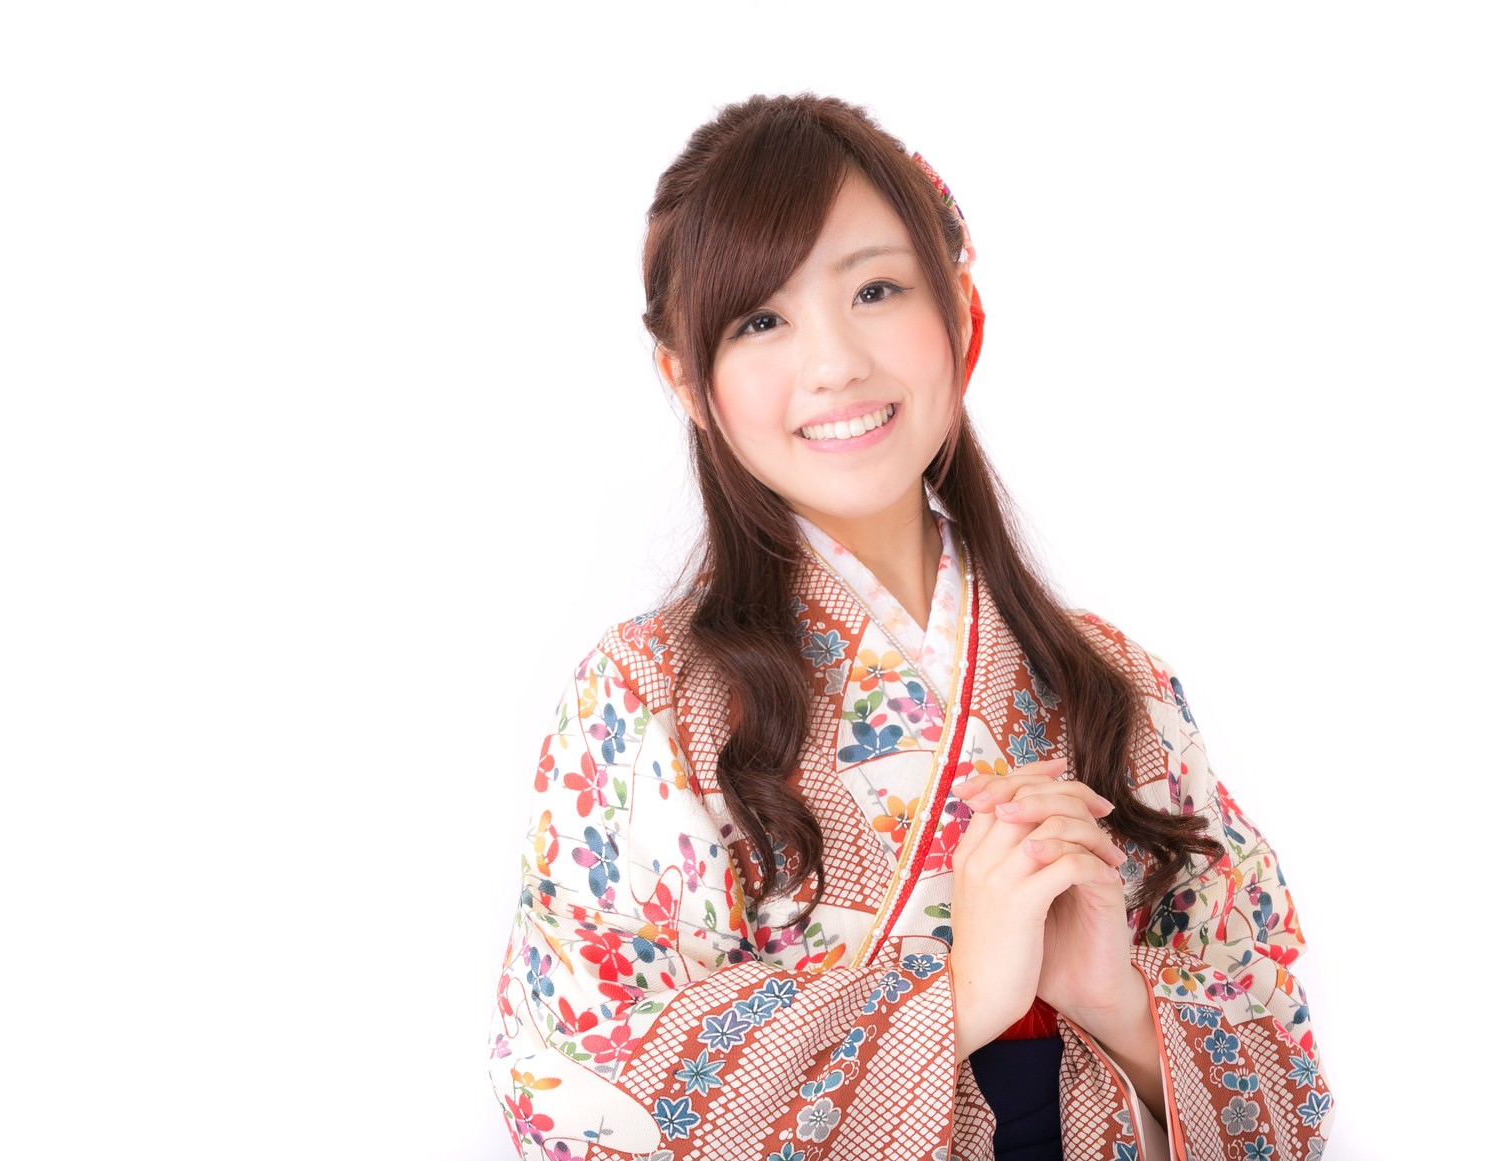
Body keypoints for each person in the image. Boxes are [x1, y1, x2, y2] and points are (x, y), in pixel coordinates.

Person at [487, 94, 1331, 1161]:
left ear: (963, 318)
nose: (834, 362)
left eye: (875, 289)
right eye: (760, 321)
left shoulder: (1120, 684)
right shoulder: (645, 695)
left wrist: (1115, 1001)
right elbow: (574, 1092)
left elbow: (1290, 1090)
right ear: (687, 382)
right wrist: (959, 1000)